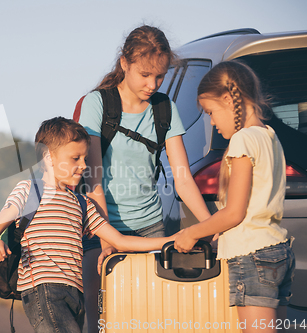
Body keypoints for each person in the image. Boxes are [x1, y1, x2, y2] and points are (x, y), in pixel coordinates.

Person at [0, 117, 176, 333]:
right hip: (43, 288)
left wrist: (173, 240)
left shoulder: (83, 204)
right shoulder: (30, 190)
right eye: (75, 158)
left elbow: (119, 240)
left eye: (84, 158)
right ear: (48, 157)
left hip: (75, 292)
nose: (83, 165)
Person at [76, 25, 211, 332]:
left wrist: (211, 229)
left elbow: (183, 179)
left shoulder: (165, 108)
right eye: (145, 74)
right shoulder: (97, 104)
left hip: (151, 230)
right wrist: (107, 239)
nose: (152, 84)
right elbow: (93, 177)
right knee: (103, 323)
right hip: (101, 231)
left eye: (160, 76)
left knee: (150, 321)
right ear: (125, 64)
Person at [174, 61, 295, 333]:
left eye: (211, 112)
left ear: (228, 99)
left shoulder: (243, 140)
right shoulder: (270, 135)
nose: (213, 122)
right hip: (279, 251)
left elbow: (235, 213)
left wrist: (192, 233)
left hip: (253, 257)